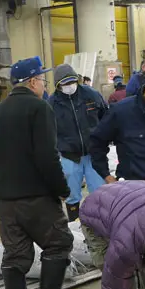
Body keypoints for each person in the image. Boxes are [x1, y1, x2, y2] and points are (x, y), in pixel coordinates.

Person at [0, 56, 79, 289]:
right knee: (58, 245)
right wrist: (61, 189)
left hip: (7, 200)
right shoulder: (39, 109)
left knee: (14, 256)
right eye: (43, 80)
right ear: (33, 81)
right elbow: (47, 156)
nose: (45, 85)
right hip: (37, 197)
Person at [48, 63, 108, 222]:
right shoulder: (51, 103)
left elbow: (106, 117)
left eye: (72, 82)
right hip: (69, 156)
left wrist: (103, 140)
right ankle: (74, 223)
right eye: (65, 84)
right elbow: (48, 131)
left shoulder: (91, 95)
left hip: (93, 154)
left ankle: (100, 223)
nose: (69, 86)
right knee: (72, 193)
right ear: (58, 85)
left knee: (99, 191)